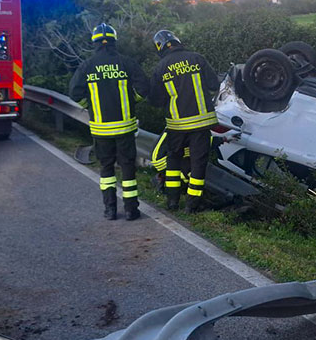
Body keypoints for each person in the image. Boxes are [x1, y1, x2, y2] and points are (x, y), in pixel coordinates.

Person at [70, 23, 150, 221]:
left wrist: (90, 106)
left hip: (101, 129)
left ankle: (110, 210)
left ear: (95, 42)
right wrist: (132, 101)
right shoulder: (126, 63)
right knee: (128, 167)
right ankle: (131, 210)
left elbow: (74, 93)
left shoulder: (88, 65)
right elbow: (144, 88)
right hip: (125, 128)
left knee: (106, 169)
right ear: (114, 41)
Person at [149, 30, 218, 213]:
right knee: (198, 164)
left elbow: (155, 100)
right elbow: (214, 85)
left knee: (173, 161)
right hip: (201, 123)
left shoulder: (160, 67)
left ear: (160, 47)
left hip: (176, 125)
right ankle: (192, 205)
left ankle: (172, 202)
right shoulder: (197, 58)